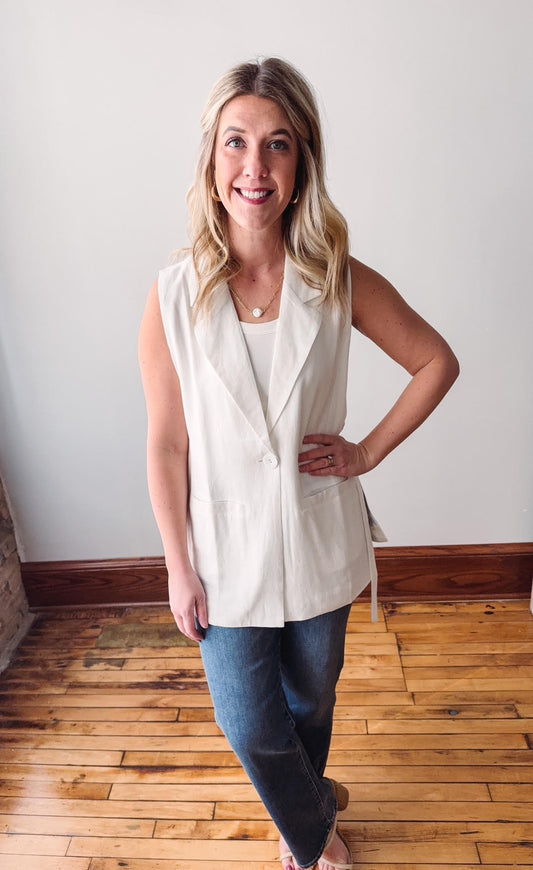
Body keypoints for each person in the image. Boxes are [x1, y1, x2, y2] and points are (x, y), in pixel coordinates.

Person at [138, 56, 459, 870]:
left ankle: (297, 822)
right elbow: (166, 444)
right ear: (211, 161)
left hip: (320, 537)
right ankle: (315, 827)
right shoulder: (173, 296)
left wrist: (365, 451)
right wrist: (178, 567)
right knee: (249, 721)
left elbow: (435, 362)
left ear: (301, 162)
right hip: (224, 552)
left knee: (310, 704)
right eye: (236, 142)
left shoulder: (336, 280)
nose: (256, 167)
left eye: (277, 145)